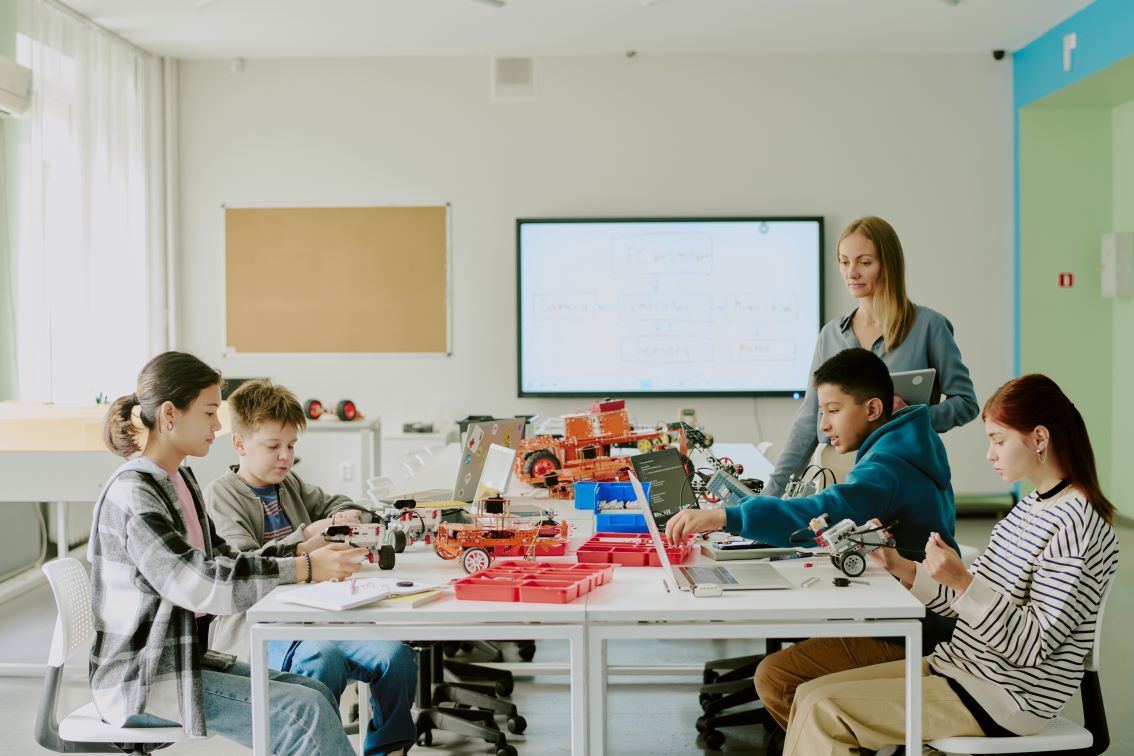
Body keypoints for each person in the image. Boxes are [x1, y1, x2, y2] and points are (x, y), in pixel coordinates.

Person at [777, 374, 1119, 755]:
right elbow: (967, 607)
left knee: (825, 712)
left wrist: (963, 582)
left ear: (1039, 438)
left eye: (999, 441)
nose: (990, 455)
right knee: (808, 695)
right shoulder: (1031, 508)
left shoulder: (1078, 525)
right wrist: (900, 565)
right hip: (962, 668)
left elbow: (1031, 645)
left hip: (1006, 696)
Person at [665, 347, 959, 736]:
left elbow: (824, 510)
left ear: (873, 409)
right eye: (821, 412)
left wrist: (727, 516)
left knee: (775, 677)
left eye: (833, 410)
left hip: (912, 628)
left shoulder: (887, 467)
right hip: (917, 610)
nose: (823, 426)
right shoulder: (907, 443)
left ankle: (838, 740)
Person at [89, 351, 367, 755]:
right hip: (145, 679)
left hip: (182, 660)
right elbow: (200, 583)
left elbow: (224, 558)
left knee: (316, 693)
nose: (218, 426)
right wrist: (305, 567)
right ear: (170, 415)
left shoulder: (177, 478)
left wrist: (303, 551)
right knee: (303, 713)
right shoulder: (137, 493)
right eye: (208, 412)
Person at [206, 378, 417, 756]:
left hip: (315, 613)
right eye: (273, 446)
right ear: (239, 444)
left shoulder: (288, 485)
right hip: (259, 623)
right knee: (322, 658)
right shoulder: (221, 495)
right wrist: (307, 540)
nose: (284, 456)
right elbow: (244, 564)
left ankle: (387, 749)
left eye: (290, 446)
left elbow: (334, 501)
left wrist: (345, 513)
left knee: (395, 657)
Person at [765, 215, 978, 498]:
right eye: (844, 261)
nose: (851, 273)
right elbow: (808, 421)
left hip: (903, 475)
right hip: (838, 475)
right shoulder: (831, 334)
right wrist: (770, 494)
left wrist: (910, 416)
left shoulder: (929, 326)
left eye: (864, 263)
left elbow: (966, 404)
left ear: (888, 265)